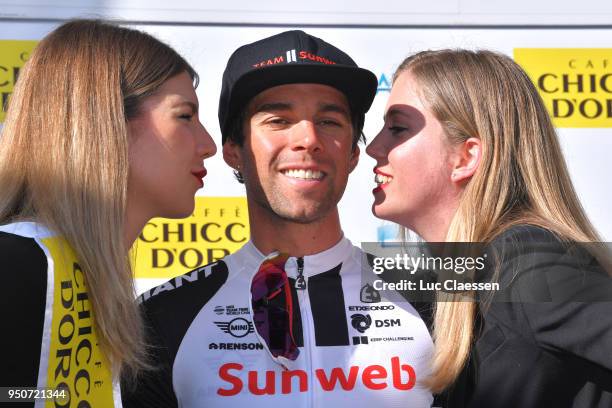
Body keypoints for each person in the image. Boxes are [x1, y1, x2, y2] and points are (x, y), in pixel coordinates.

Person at [122, 30, 434, 407]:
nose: (308, 139)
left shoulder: (438, 300)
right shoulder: (161, 317)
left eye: (330, 121)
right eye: (278, 120)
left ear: (354, 153)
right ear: (233, 150)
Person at [366, 49, 612, 407]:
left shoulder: (525, 261)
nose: (375, 148)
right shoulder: (463, 273)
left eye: (398, 129)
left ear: (466, 157)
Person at [0, 19, 216, 406]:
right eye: (185, 116)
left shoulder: (95, 282)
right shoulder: (15, 264)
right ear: (108, 119)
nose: (208, 145)